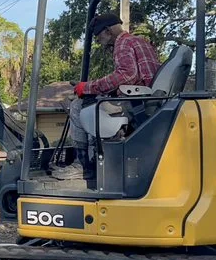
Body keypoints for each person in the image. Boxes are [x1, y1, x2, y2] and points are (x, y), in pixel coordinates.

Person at [53, 12, 161, 181]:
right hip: (148, 101)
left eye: (98, 36)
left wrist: (87, 87)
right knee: (92, 103)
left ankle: (82, 166)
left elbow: (126, 74)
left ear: (108, 31)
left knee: (77, 106)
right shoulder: (141, 42)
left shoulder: (122, 43)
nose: (98, 41)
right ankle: (93, 158)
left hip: (134, 104)